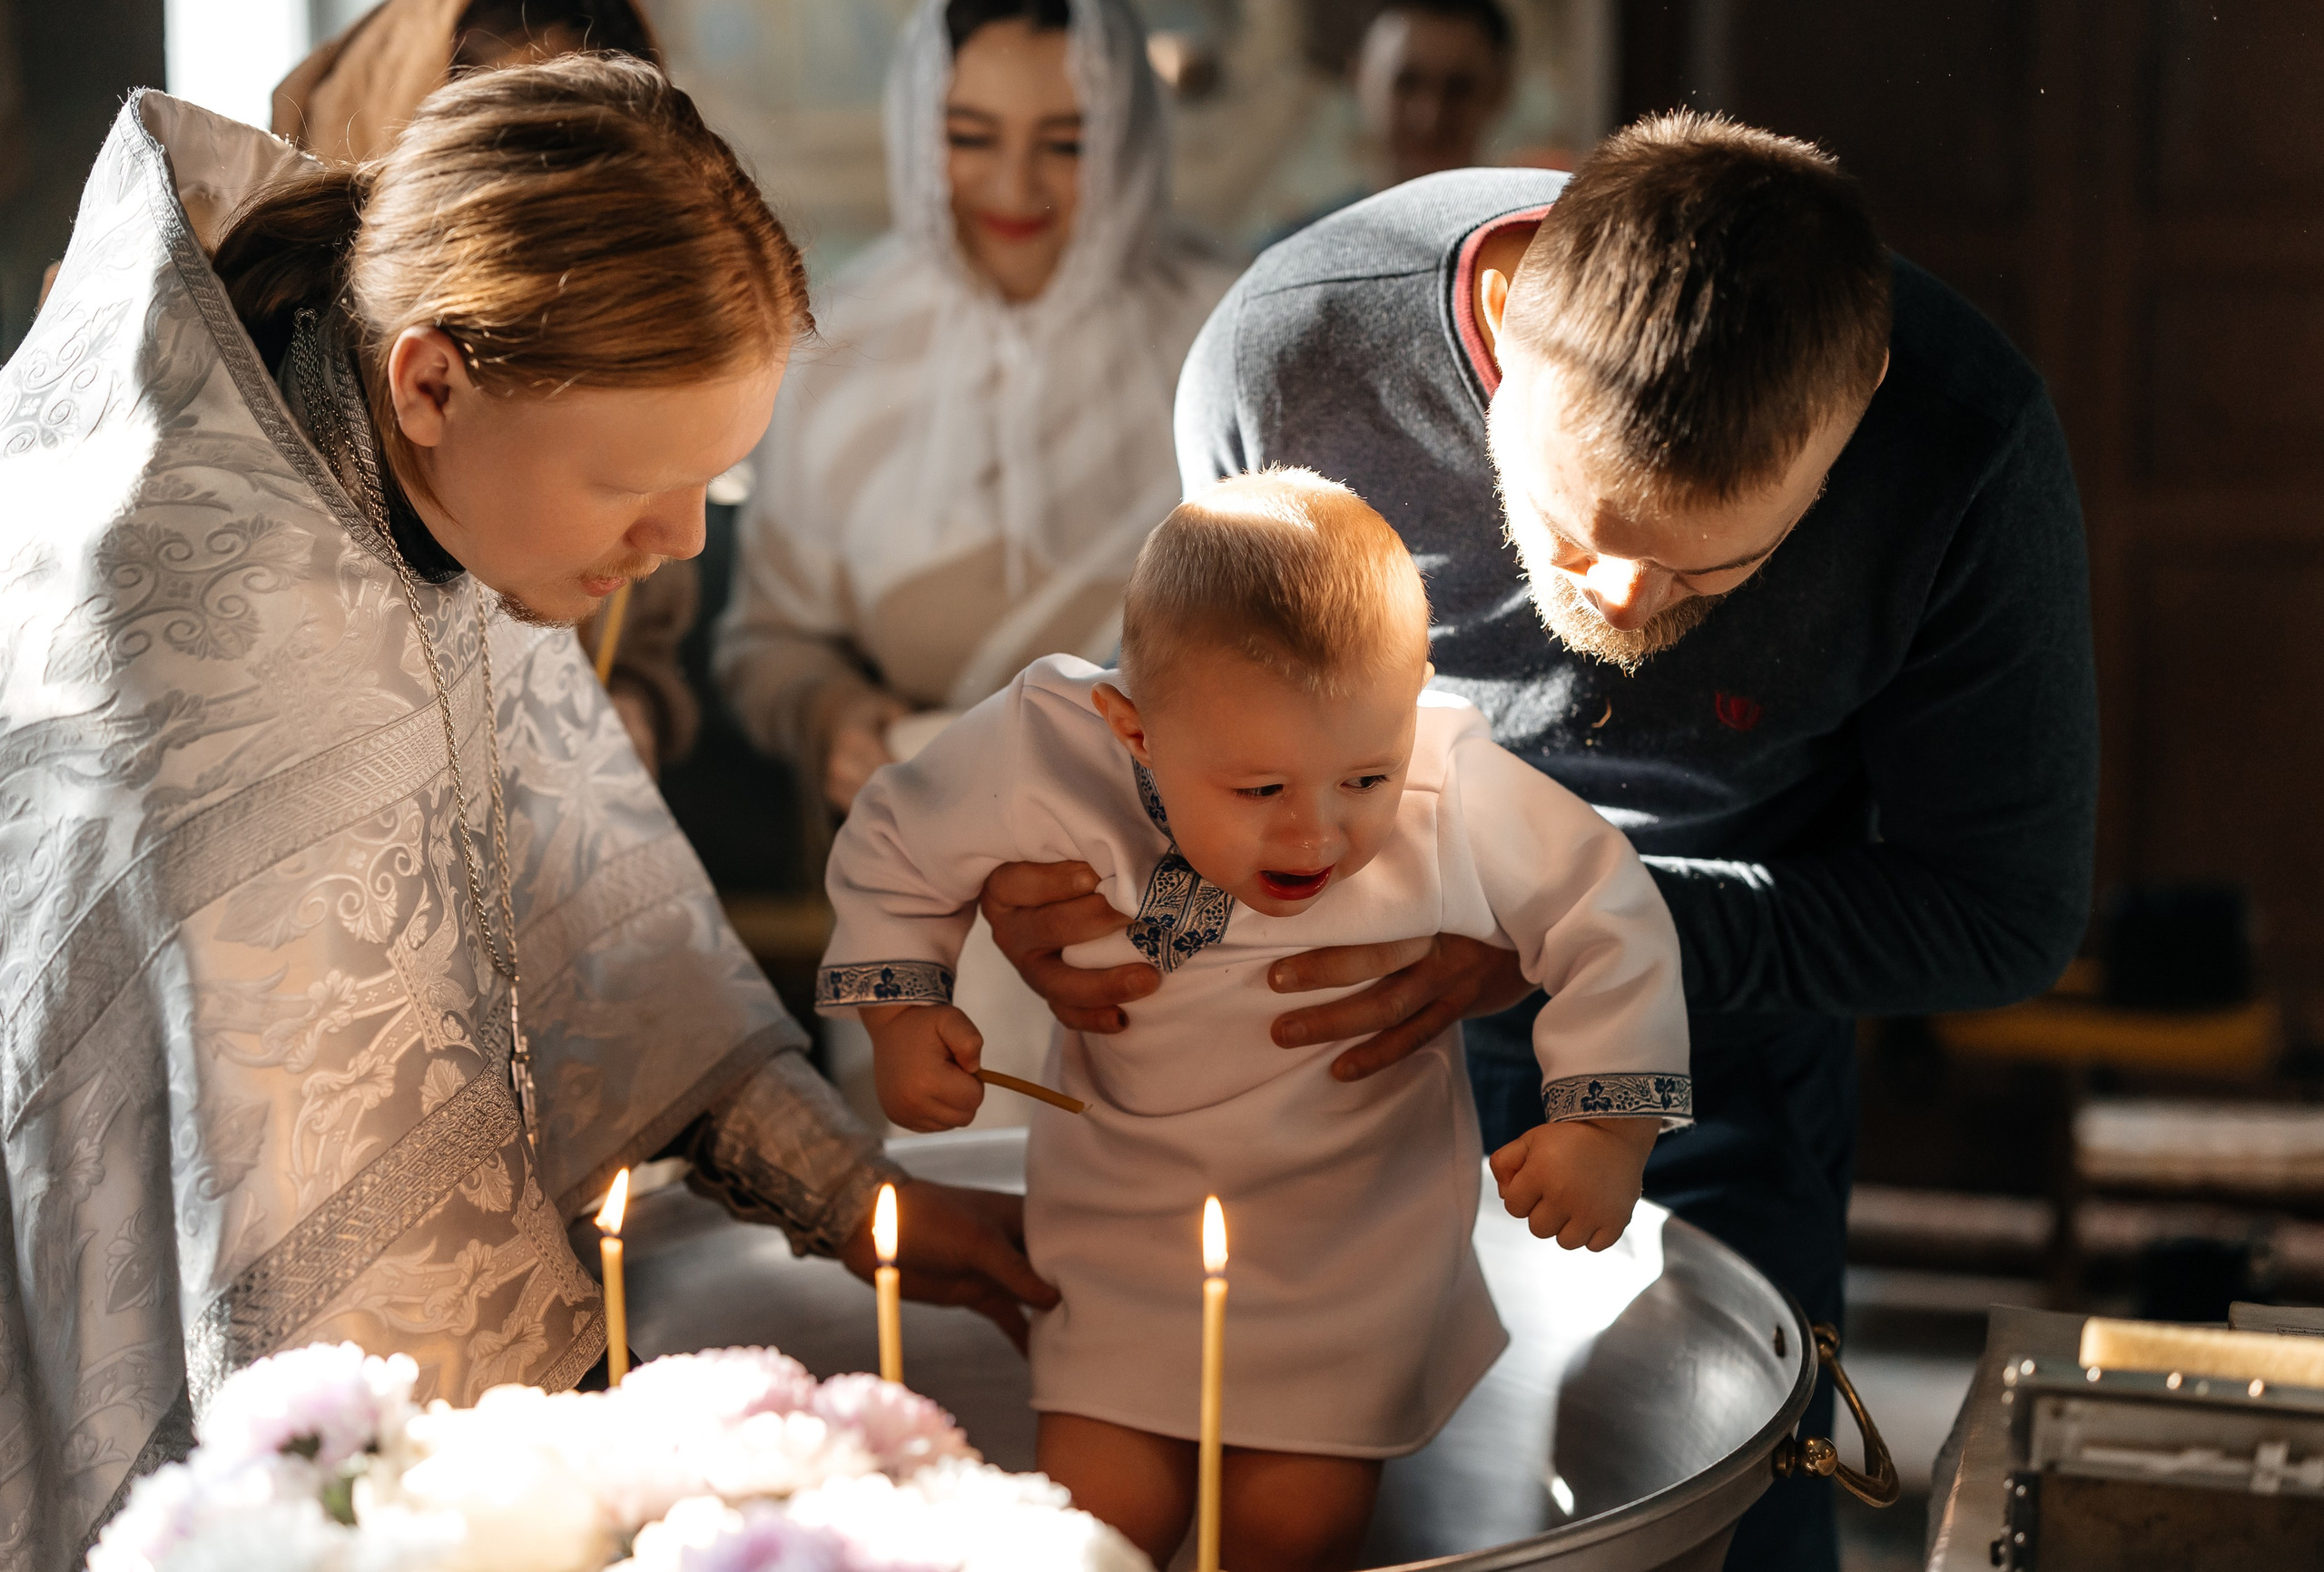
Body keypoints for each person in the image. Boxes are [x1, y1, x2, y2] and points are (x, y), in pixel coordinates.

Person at [980, 113, 2099, 1570]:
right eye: (1575, 535)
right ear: (1505, 324)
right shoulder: (1294, 358)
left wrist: (1558, 930)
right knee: (1308, 1493)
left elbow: (1999, 916)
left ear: (1859, 405)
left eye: (1716, 564)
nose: (1626, 605)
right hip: (1328, 1040)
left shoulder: (1963, 446)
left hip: (1715, 1029)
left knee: (1719, 1506)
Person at [0, 58, 1052, 1572]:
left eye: (711, 479)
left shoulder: (417, 480)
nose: (681, 539)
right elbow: (275, 1234)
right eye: (636, 481)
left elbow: (590, 919)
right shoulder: (189, 628)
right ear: (431, 381)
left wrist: (861, 1195)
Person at [819, 469, 1689, 1572]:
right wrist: (903, 1011)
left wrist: (1605, 1124)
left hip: (1352, 1246)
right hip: (1122, 1227)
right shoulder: (1042, 751)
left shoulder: (1449, 778)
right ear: (1131, 730)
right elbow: (898, 833)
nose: (1316, 835)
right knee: (1090, 1525)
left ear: (1413, 700)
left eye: (1365, 777)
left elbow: (1606, 909)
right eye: (1261, 791)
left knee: (1294, 1533)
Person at [716, 0, 1238, 1121]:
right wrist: (827, 715)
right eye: (968, 136)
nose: (1014, 188)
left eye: (1066, 141)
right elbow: (768, 640)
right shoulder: (831, 351)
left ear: (1131, 137)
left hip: (1192, 906)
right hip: (928, 921)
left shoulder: (1227, 336)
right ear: (915, 132)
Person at [272, 0, 704, 778]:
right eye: (506, 162)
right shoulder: (237, 457)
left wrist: (627, 717)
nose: (556, 226)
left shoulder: (627, 408)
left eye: (588, 167)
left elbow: (642, 650)